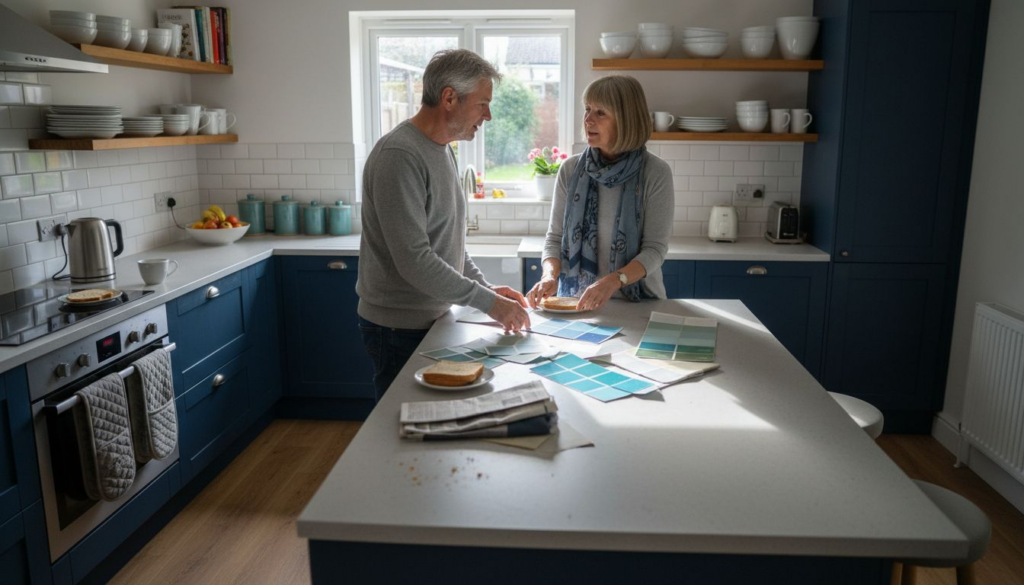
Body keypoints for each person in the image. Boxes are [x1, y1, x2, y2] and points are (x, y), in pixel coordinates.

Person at [357, 49, 530, 399]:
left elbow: (447, 244)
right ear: (449, 97)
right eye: (482, 104)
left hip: (430, 319)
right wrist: (488, 303)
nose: (490, 115)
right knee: (399, 432)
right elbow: (415, 260)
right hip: (397, 327)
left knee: (432, 426)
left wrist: (486, 288)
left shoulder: (441, 149)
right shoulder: (400, 156)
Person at [526, 75, 674, 312]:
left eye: (600, 113)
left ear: (626, 119)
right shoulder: (571, 170)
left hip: (640, 303)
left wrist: (613, 281)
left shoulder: (655, 172)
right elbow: (554, 238)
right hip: (577, 304)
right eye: (587, 110)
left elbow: (655, 250)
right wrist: (550, 276)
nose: (587, 119)